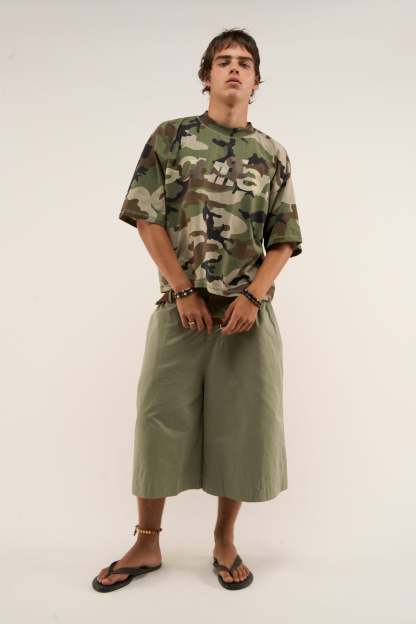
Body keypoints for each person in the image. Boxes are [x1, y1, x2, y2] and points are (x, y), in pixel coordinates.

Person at [92, 27, 303, 593]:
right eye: (223, 61)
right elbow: (146, 217)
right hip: (178, 309)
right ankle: (147, 541)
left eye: (245, 63)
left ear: (257, 81)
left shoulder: (272, 154)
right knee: (158, 420)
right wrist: (183, 289)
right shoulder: (171, 137)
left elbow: (284, 240)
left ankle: (224, 541)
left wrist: (252, 297)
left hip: (246, 319)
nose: (234, 68)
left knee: (241, 427)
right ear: (206, 75)